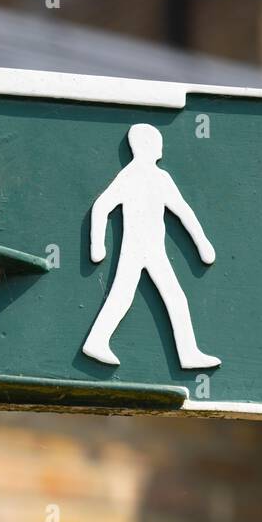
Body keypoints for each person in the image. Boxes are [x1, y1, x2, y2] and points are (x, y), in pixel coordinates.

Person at [82, 123, 220, 369]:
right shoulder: (132, 176)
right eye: (157, 144)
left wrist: (202, 244)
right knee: (125, 296)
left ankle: (187, 353)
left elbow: (183, 212)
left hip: (154, 251)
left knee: (171, 298)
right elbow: (101, 206)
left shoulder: (159, 178)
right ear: (146, 146)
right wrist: (97, 245)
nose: (161, 150)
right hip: (135, 250)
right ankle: (96, 342)